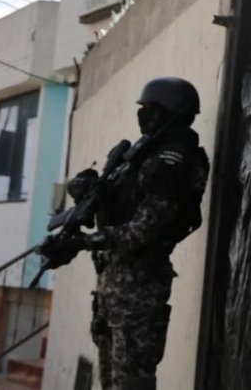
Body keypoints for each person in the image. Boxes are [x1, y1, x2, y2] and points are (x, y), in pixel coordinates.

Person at [39, 77, 210, 390]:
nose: (141, 114)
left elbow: (141, 232)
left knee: (130, 385)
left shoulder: (170, 162)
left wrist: (82, 243)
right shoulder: (139, 157)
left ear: (167, 111)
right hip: (113, 289)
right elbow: (115, 206)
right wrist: (88, 189)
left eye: (147, 108)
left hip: (139, 294)